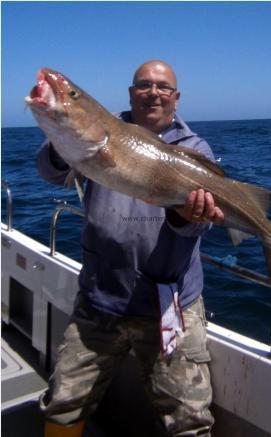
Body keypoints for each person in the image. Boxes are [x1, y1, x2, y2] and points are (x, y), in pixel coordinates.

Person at [38, 60, 224, 437]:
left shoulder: (195, 148)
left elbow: (201, 225)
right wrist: (63, 139)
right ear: (130, 93)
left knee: (190, 422)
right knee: (62, 403)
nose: (153, 92)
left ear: (175, 97)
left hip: (169, 305)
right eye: (144, 85)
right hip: (100, 297)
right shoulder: (102, 133)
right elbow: (51, 171)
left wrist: (188, 215)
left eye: (163, 87)